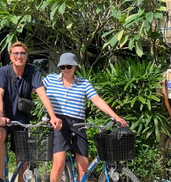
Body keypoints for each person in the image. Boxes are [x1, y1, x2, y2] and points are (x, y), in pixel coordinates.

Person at [44, 52, 128, 182]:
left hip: (78, 124)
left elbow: (97, 100)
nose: (66, 70)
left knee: (84, 168)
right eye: (62, 67)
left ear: (75, 66)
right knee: (59, 163)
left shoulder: (83, 83)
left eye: (69, 66)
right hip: (58, 124)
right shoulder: (50, 80)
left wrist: (116, 117)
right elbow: (35, 89)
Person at [0, 41, 62, 182]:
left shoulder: (32, 71)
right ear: (11, 57)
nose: (19, 56)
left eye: (22, 53)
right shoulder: (4, 72)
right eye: (15, 53)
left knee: (23, 161)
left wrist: (53, 116)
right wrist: (0, 116)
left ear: (27, 56)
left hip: (21, 121)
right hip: (4, 118)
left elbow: (42, 94)